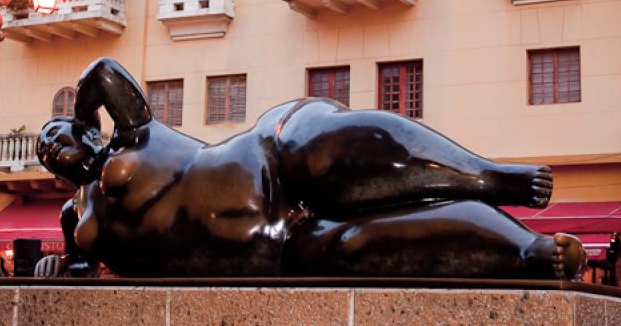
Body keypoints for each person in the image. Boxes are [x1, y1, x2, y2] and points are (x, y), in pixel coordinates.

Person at [36, 57, 586, 280]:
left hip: (267, 160)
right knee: (374, 245)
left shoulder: (136, 135)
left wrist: (80, 117)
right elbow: (78, 269)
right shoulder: (80, 216)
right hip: (278, 249)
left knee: (333, 154)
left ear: (87, 128)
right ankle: (530, 252)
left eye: (58, 135)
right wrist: (57, 270)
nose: (54, 149)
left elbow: (104, 73)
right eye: (46, 152)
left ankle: (490, 177)